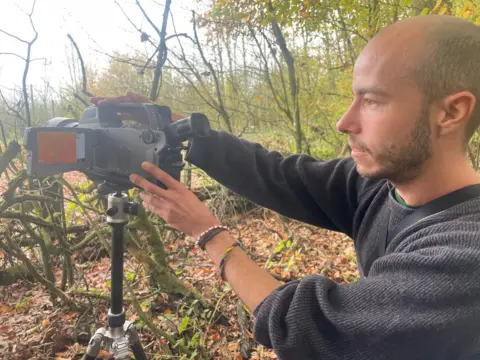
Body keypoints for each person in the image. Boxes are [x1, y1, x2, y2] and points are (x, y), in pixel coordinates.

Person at [90, 14, 480, 360]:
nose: (344, 122)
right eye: (352, 98)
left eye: (372, 101)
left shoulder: (464, 255)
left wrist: (208, 233)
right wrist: (181, 128)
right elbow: (280, 175)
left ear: (451, 111)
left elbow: (309, 327)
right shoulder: (379, 188)